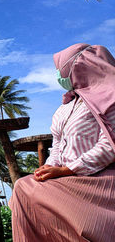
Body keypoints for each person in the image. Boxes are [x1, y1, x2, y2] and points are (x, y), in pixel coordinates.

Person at [10, 43, 115, 242]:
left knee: (24, 189)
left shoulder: (110, 98)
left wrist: (67, 170)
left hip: (97, 179)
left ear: (78, 67)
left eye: (61, 70)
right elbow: (57, 145)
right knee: (24, 187)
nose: (58, 75)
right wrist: (51, 165)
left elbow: (109, 147)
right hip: (66, 177)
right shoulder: (65, 107)